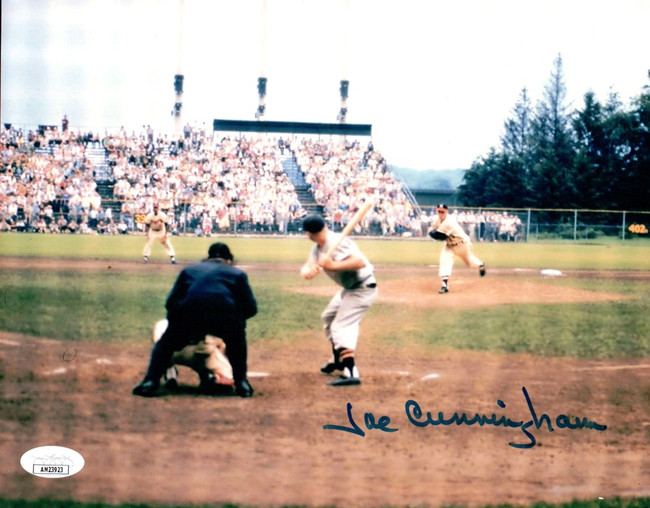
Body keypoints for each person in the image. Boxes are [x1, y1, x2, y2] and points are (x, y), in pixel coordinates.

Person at [132, 242, 258, 398]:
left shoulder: (189, 270)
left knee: (165, 345)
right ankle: (242, 384)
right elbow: (251, 308)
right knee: (237, 342)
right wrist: (237, 322)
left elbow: (170, 303)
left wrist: (176, 324)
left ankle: (150, 382)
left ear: (208, 257)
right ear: (228, 260)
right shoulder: (237, 274)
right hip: (224, 317)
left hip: (190, 315)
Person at [300, 214, 377, 386]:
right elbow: (309, 265)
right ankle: (338, 360)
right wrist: (308, 272)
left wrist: (332, 266)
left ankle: (351, 372)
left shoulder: (337, 241)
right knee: (328, 318)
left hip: (362, 288)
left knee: (341, 326)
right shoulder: (319, 248)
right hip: (349, 289)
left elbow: (359, 262)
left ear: (308, 234)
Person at [427, 203, 486, 294]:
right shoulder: (438, 220)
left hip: (461, 244)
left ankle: (480, 265)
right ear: (436, 211)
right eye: (439, 211)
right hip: (449, 246)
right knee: (444, 260)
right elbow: (436, 228)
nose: (441, 213)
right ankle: (444, 286)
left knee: (469, 263)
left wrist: (430, 233)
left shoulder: (449, 221)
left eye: (443, 211)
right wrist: (432, 228)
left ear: (446, 212)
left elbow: (440, 236)